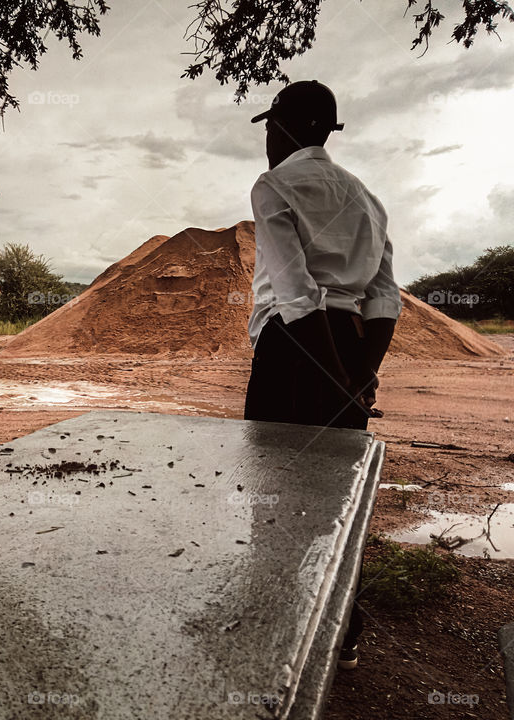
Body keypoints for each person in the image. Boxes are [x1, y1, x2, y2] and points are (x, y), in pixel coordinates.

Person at [243, 80, 402, 670]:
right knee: (336, 495)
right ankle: (342, 630)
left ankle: (276, 624)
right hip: (353, 345)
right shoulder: (367, 198)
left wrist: (336, 375)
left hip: (295, 350)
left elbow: (296, 294)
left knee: (274, 488)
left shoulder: (273, 186)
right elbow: (384, 296)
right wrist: (362, 373)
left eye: (268, 126)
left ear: (284, 128)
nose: (265, 138)